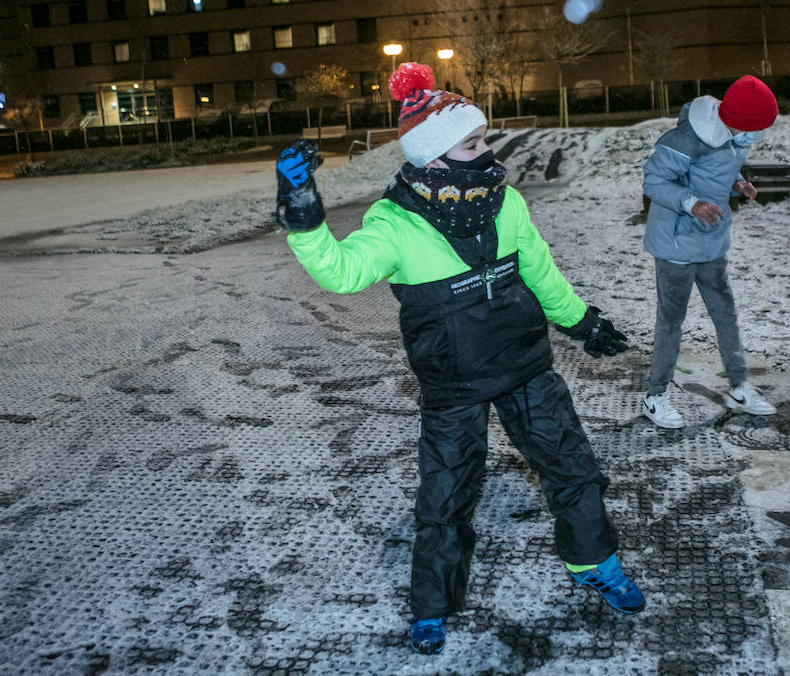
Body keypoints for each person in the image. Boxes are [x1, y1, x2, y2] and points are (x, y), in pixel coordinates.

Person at [275, 62, 642, 656]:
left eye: (484, 139)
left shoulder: (507, 203)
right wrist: (302, 210)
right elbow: (340, 272)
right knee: (445, 498)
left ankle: (593, 563)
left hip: (526, 365)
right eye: (474, 142)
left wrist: (582, 321)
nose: (487, 150)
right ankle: (433, 606)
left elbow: (540, 271)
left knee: (572, 469)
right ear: (434, 156)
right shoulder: (394, 223)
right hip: (453, 383)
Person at [640, 75, 780, 429]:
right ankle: (655, 396)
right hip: (676, 244)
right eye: (756, 127)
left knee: (725, 314)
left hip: (711, 242)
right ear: (737, 119)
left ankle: (738, 387)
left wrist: (738, 183)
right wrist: (691, 203)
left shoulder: (735, 135)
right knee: (671, 322)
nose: (757, 135)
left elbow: (720, 168)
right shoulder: (686, 140)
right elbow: (654, 182)